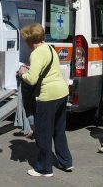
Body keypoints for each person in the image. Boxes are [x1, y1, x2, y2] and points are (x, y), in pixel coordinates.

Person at [18, 23, 73, 177]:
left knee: (43, 133)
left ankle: (44, 168)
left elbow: (32, 78)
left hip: (48, 96)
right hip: (62, 92)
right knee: (59, 131)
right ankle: (66, 162)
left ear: (30, 40)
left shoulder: (36, 53)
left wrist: (22, 73)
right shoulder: (49, 48)